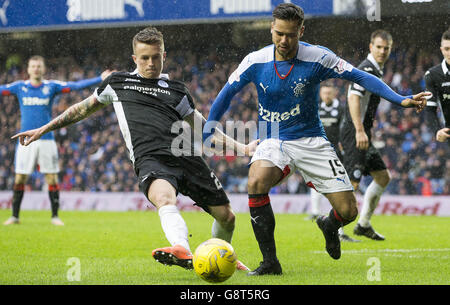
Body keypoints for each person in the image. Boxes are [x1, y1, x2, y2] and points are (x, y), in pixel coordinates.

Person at [203, 3, 428, 275]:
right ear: (272, 29)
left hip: (312, 140)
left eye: (291, 35)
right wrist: (208, 129)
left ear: (301, 31)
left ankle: (330, 224)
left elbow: (360, 76)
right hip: (274, 138)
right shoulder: (255, 61)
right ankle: (270, 262)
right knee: (256, 180)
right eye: (279, 34)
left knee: (348, 211)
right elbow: (225, 95)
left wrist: (399, 98)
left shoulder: (319, 57)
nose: (284, 41)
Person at [12, 27, 257, 271]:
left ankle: (220, 258)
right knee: (164, 198)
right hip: (150, 158)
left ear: (164, 56)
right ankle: (182, 248)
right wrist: (43, 129)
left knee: (227, 217)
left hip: (185, 155)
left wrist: (242, 148)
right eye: (144, 58)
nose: (151, 63)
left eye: (156, 57)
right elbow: (81, 109)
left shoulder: (177, 90)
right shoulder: (118, 83)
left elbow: (204, 129)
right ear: (135, 59)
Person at [1, 55, 110, 226]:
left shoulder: (51, 86)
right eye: (33, 66)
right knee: (19, 178)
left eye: (39, 66)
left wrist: (99, 78)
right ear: (28, 69)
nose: (36, 69)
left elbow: (75, 86)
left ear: (43, 69)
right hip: (25, 140)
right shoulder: (19, 87)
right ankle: (15, 216)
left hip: (47, 139)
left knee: (51, 178)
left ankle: (55, 216)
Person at [340, 30, 396, 241]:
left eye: (386, 48)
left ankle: (363, 225)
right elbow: (354, 98)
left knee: (382, 177)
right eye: (379, 47)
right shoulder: (367, 69)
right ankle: (335, 229)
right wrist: (359, 130)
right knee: (351, 182)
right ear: (371, 46)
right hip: (356, 132)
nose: (382, 51)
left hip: (362, 132)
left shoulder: (376, 69)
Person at [307, 83, 360, 243]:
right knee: (317, 181)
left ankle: (338, 227)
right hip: (318, 151)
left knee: (338, 185)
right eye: (324, 93)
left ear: (334, 93)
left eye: (329, 93)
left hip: (337, 152)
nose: (327, 96)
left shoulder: (342, 109)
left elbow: (346, 128)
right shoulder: (316, 108)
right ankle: (318, 213)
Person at [424, 28, 450, 144]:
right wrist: (437, 130)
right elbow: (430, 109)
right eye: (447, 49)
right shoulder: (433, 75)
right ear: (441, 50)